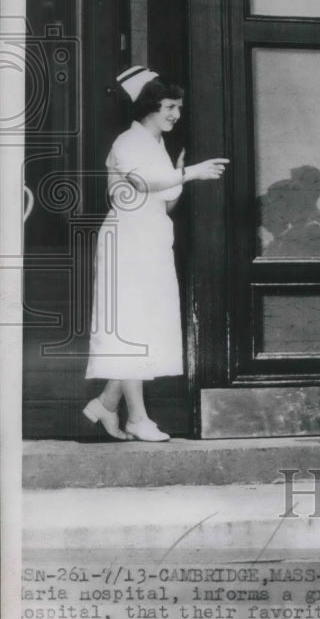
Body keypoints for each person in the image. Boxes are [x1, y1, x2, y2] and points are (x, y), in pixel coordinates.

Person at [83, 66, 229, 442]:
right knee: (132, 325)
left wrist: (178, 176)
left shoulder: (157, 147)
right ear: (148, 106)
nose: (175, 115)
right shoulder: (127, 142)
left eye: (178, 107)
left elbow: (164, 202)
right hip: (128, 241)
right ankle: (137, 417)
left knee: (144, 325)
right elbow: (145, 182)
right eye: (168, 106)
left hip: (150, 239)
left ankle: (106, 403)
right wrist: (190, 173)